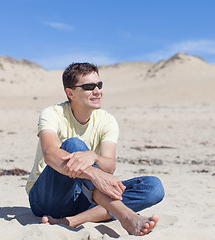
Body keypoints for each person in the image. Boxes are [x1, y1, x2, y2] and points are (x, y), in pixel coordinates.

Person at [25, 62, 164, 236]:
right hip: (47, 199)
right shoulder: (52, 114)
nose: (97, 91)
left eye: (99, 85)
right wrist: (94, 174)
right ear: (70, 93)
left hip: (84, 197)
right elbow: (50, 154)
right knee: (73, 145)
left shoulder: (107, 120)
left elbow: (109, 166)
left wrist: (94, 157)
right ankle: (125, 216)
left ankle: (74, 220)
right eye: (89, 87)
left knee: (153, 187)